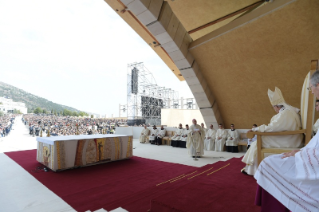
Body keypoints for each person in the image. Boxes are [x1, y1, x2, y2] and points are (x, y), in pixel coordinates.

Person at [254, 71, 319, 212]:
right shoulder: (290, 111)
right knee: (268, 160)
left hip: (292, 142)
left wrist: (301, 154)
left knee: (265, 161)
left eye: (311, 88)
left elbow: (274, 127)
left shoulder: (285, 113)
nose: (312, 92)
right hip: (300, 146)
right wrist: (301, 151)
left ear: (317, 85)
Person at [241, 87, 303, 176]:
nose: (274, 109)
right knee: (259, 141)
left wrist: (256, 129)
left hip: (289, 140)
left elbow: (272, 127)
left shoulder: (285, 113)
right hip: (291, 137)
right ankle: (252, 168)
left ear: (277, 106)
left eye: (273, 107)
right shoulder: (289, 111)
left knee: (257, 143)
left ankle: (253, 170)